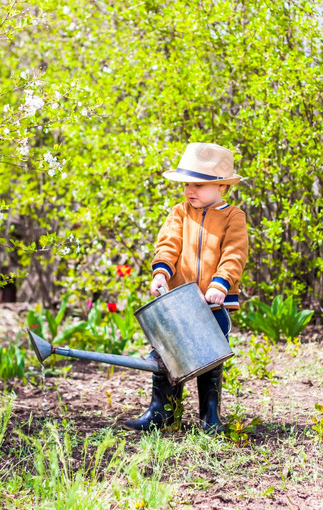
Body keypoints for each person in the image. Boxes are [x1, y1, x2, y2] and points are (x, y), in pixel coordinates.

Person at [124, 143, 248, 433]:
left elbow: (234, 254)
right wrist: (161, 273)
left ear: (221, 186)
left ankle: (210, 415)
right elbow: (167, 246)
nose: (190, 190)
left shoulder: (233, 217)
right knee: (167, 353)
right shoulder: (180, 213)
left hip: (212, 302)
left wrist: (221, 283)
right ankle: (163, 411)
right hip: (177, 301)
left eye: (199, 185)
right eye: (186, 185)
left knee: (210, 356)